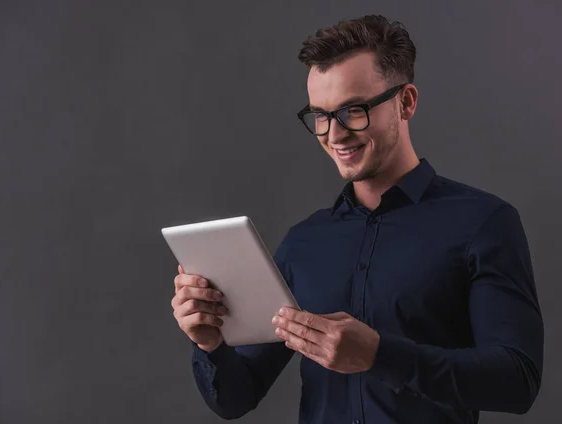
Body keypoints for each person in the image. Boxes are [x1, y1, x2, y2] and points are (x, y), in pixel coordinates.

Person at [170, 14, 544, 424]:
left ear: (406, 102)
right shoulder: (303, 243)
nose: (334, 134)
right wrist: (210, 345)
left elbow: (517, 381)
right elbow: (235, 400)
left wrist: (381, 355)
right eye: (320, 116)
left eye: (353, 110)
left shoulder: (484, 222)